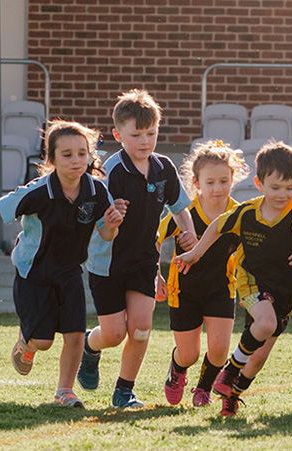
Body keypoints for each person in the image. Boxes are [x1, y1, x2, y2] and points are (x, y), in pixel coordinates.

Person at [0, 120, 124, 408]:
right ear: (52, 159)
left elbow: (106, 234)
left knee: (74, 336)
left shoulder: (97, 192)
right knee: (44, 341)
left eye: (82, 153)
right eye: (67, 154)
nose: (76, 160)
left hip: (70, 272)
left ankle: (64, 391)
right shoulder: (38, 192)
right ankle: (27, 343)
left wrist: (111, 225)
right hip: (33, 273)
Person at [174, 141, 292, 416]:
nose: (282, 194)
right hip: (251, 282)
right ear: (259, 183)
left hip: (283, 295)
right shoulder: (246, 213)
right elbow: (217, 226)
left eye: (289, 188)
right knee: (265, 322)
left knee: (258, 359)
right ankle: (229, 371)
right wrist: (195, 253)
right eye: (275, 187)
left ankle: (232, 393)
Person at [79, 89, 197, 408]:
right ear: (118, 135)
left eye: (151, 133)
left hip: (145, 261)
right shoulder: (108, 173)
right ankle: (90, 347)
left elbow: (179, 206)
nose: (145, 141)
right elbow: (99, 230)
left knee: (142, 327)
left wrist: (189, 234)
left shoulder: (163, 167)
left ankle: (124, 390)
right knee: (115, 334)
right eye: (136, 135)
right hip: (108, 264)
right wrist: (111, 222)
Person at [157, 140, 249, 407]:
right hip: (183, 290)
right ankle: (177, 368)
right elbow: (155, 238)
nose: (217, 188)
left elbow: (248, 253)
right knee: (189, 354)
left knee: (220, 350)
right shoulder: (183, 213)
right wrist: (156, 275)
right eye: (210, 182)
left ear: (233, 179)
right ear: (196, 183)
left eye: (224, 181)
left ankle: (203, 388)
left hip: (221, 288)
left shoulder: (238, 213)